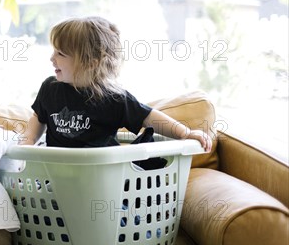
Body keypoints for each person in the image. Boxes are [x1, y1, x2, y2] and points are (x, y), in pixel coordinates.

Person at [19, 16, 212, 152]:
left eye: (60, 54)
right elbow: (39, 117)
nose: (52, 58)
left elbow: (150, 118)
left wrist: (185, 133)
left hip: (102, 178)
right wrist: (27, 142)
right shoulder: (50, 88)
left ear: (90, 62)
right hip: (55, 173)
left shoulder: (113, 98)